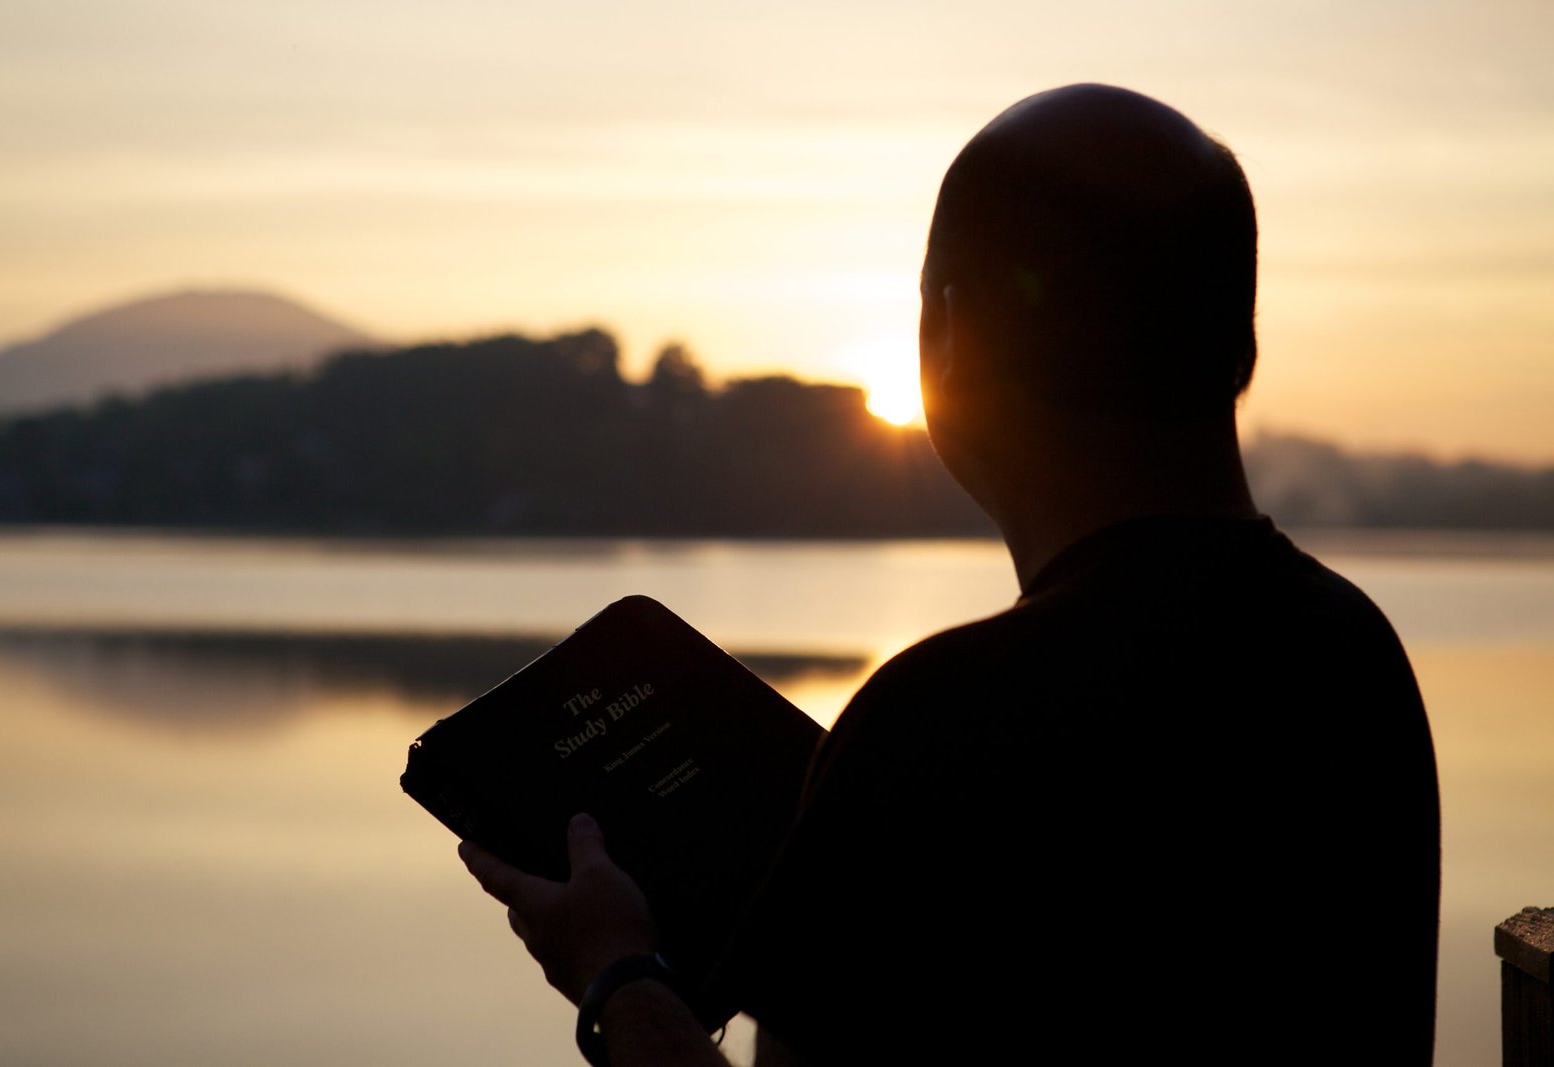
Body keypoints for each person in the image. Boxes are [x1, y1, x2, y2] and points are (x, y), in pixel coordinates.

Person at [458, 84, 1441, 1065]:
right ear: (1242, 342)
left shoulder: (942, 721)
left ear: (950, 335)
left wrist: (620, 972)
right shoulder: (1356, 657)